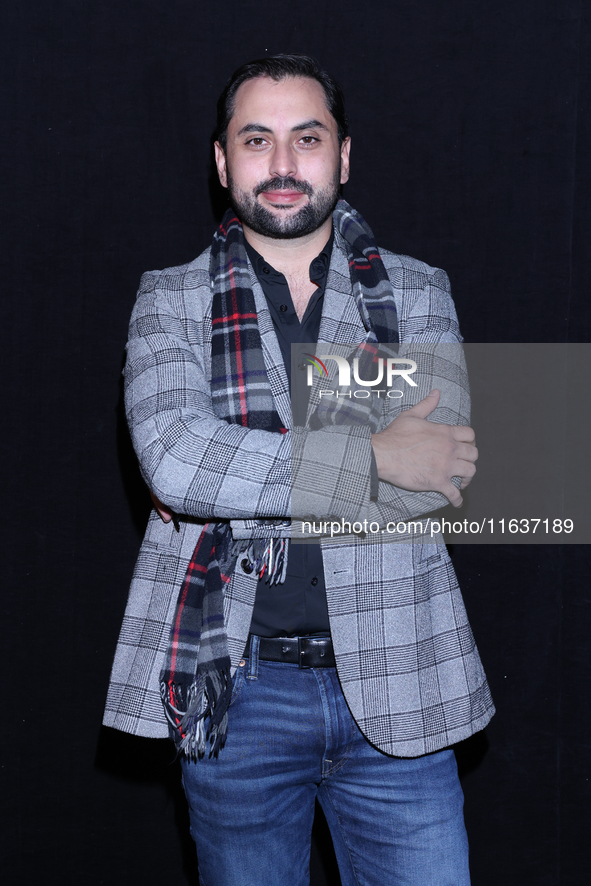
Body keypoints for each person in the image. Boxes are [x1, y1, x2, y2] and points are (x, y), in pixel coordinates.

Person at [104, 54, 494, 886]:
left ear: (342, 156)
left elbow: (431, 473)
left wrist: (234, 468)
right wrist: (369, 450)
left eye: (305, 139)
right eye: (257, 140)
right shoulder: (168, 298)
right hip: (232, 689)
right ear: (222, 162)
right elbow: (174, 461)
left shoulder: (418, 293)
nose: (282, 166)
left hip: (401, 681)